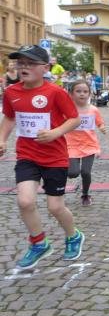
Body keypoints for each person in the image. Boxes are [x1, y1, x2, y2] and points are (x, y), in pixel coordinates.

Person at [0, 44, 84, 268]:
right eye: (21, 63)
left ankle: (73, 235)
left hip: (55, 158)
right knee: (25, 201)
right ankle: (39, 243)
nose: (24, 67)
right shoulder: (11, 92)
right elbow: (9, 118)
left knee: (55, 207)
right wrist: (2, 139)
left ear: (45, 68)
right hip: (26, 155)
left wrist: (56, 132)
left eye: (30, 63)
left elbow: (74, 118)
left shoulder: (55, 92)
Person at [65, 79, 106, 205]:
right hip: (71, 145)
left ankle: (85, 194)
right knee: (72, 173)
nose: (82, 94)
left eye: (85, 91)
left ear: (89, 94)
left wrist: (102, 128)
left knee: (86, 172)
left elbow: (99, 122)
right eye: (78, 91)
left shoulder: (93, 109)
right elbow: (60, 123)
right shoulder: (67, 109)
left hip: (89, 145)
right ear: (71, 94)